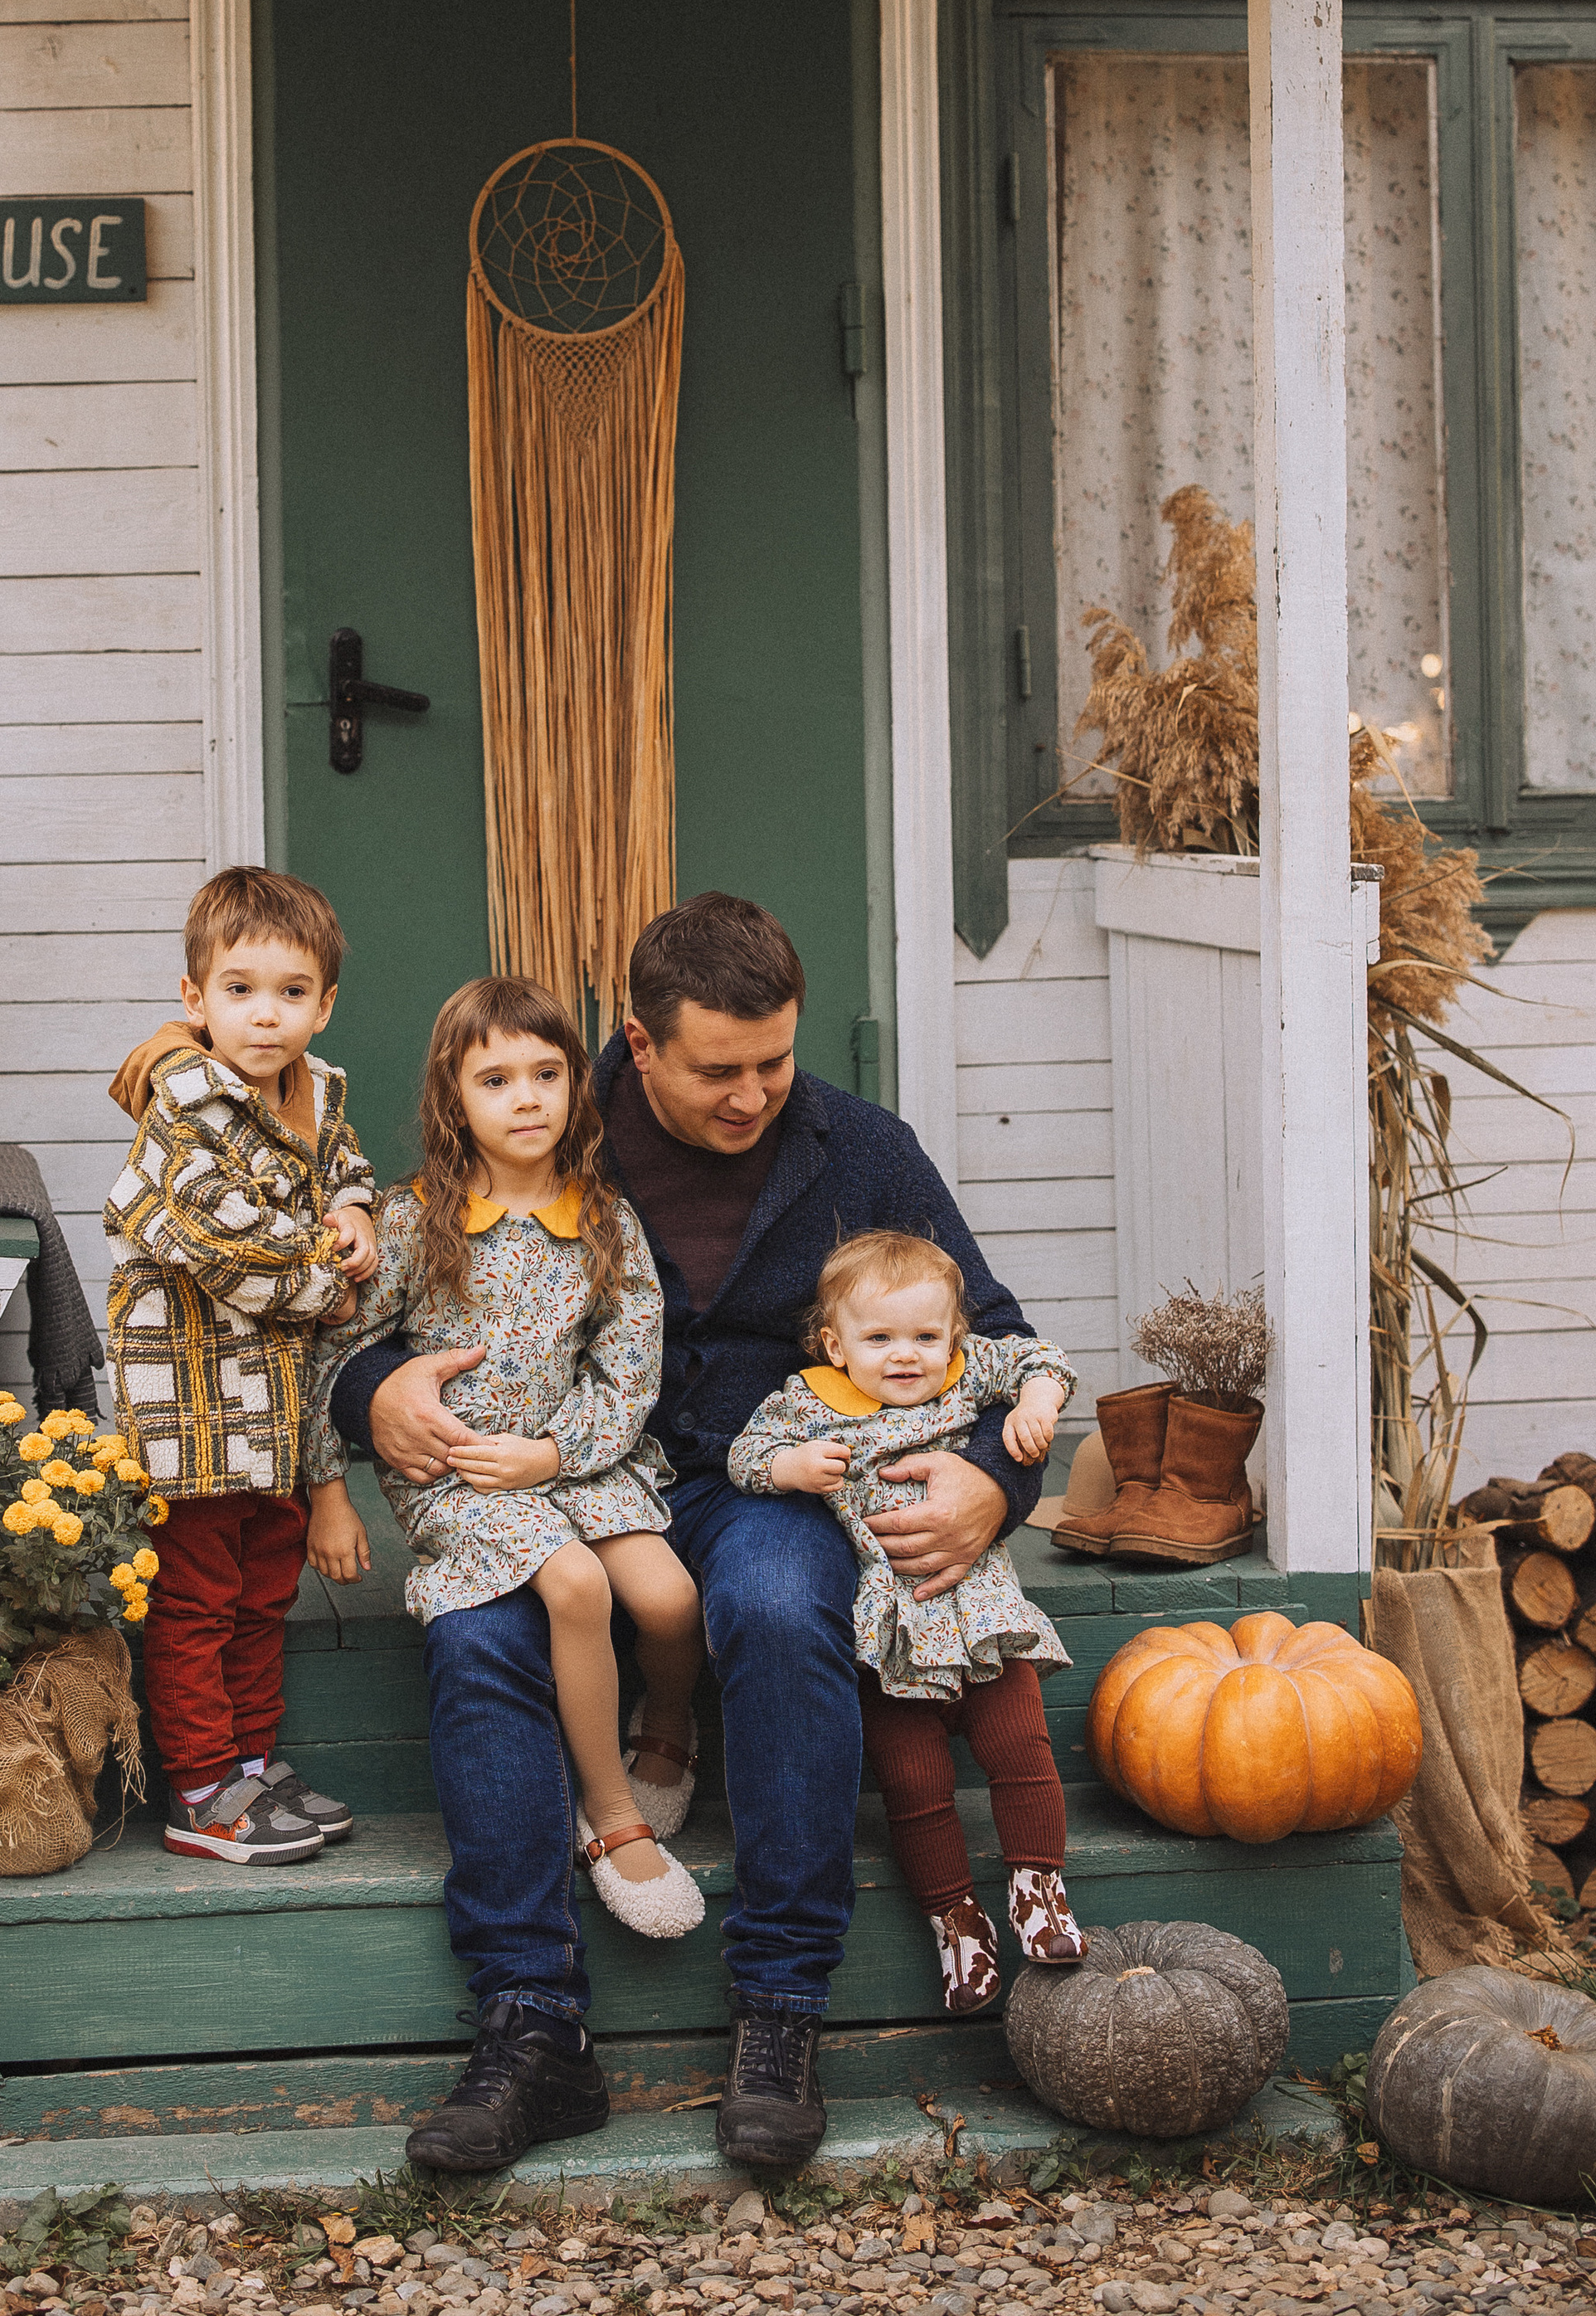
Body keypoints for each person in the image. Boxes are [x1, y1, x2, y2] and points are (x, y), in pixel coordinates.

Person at [326, 891, 1049, 2174]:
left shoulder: (859, 1146)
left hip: (771, 1485)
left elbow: (989, 1326)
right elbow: (405, 1283)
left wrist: (995, 1477)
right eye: (719, 1069)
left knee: (779, 1613)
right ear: (639, 1041)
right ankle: (532, 2026)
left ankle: (780, 2008)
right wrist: (363, 1390)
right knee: (483, 1635)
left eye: (775, 1060)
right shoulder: (550, 1111)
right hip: (559, 1478)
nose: (753, 1095)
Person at [304, 976, 708, 1943]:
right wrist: (330, 1493)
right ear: (453, 1099)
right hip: (465, 1470)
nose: (526, 1097)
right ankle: (611, 1821)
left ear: (577, 1085)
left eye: (546, 1073)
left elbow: (629, 1368)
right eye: (495, 1079)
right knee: (574, 1585)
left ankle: (670, 1725)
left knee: (669, 1600)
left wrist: (559, 1452)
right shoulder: (412, 1219)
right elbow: (338, 1355)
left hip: (578, 1457)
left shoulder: (604, 1220)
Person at [729, 1229, 1087, 2014]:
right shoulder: (810, 1400)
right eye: (879, 1337)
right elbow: (745, 1455)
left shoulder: (967, 1377)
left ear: (953, 1336)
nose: (906, 1355)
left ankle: (1039, 1888)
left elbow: (1042, 1357)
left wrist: (1036, 1401)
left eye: (926, 1336)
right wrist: (789, 1467)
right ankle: (955, 1919)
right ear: (836, 1344)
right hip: (891, 1633)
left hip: (982, 1613)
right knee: (914, 1783)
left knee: (1019, 1747)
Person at [104, 865, 378, 1867]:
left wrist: (351, 1210)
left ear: (325, 1003)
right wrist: (332, 1288)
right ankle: (202, 1786)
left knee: (265, 1591)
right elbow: (227, 1248)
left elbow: (344, 1164)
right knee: (197, 1599)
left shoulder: (316, 1093)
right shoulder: (186, 1107)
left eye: (292, 993)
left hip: (273, 1402)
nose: (266, 1016)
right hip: (192, 1396)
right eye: (240, 990)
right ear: (195, 1000)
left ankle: (254, 1763)